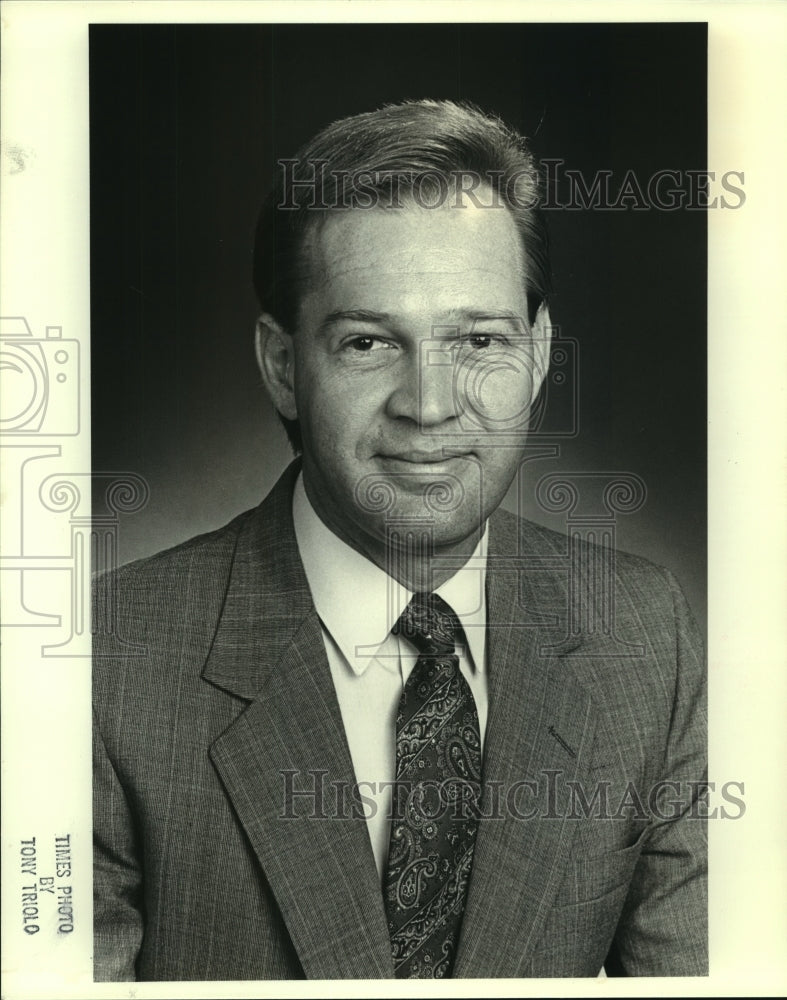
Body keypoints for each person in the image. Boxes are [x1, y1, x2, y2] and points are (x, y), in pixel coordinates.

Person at [92, 99, 707, 980]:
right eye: (369, 341)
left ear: (535, 355)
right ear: (282, 366)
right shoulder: (101, 664)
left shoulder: (644, 637)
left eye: (478, 339)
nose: (429, 403)